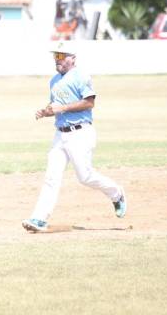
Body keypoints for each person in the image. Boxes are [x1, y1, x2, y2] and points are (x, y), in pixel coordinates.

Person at [22, 41, 126, 233]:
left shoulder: (81, 76)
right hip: (60, 134)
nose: (57, 59)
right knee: (51, 177)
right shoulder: (54, 80)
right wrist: (46, 111)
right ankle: (39, 218)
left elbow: (89, 103)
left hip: (81, 133)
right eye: (56, 56)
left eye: (61, 56)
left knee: (85, 177)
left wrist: (63, 108)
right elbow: (56, 104)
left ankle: (117, 194)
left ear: (72, 58)